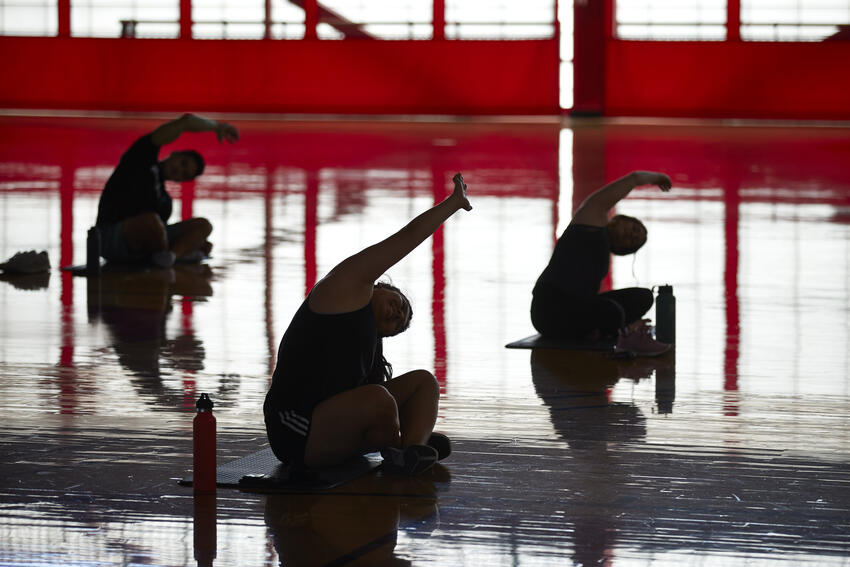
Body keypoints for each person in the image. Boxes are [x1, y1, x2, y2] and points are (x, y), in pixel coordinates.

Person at [264, 173, 471, 475]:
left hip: (339, 424)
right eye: (399, 306)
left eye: (400, 323)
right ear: (380, 287)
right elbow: (405, 239)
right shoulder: (343, 288)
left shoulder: (371, 343)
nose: (399, 316)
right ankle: (403, 445)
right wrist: (451, 204)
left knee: (424, 382)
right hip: (297, 432)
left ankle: (411, 450)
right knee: (378, 399)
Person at [530, 171, 672, 356]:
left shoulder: (602, 259)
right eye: (635, 229)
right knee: (611, 311)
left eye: (635, 241)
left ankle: (608, 331)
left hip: (575, 310)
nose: (633, 235)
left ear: (623, 251)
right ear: (620, 219)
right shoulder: (591, 219)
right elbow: (634, 178)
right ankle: (624, 333)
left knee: (643, 297)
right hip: (548, 311)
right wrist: (657, 178)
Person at [94, 113, 239, 268]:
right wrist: (216, 126)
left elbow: (158, 234)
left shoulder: (165, 202)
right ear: (175, 154)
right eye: (182, 163)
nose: (179, 170)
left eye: (185, 174)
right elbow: (185, 122)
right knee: (151, 221)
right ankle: (173, 257)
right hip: (109, 238)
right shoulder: (141, 157)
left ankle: (170, 256)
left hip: (143, 243)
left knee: (204, 226)